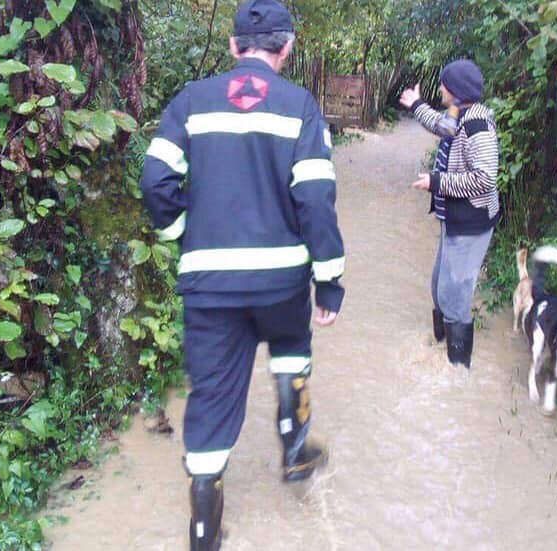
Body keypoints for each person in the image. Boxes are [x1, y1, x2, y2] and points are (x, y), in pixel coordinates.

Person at [139, 1, 345, 549]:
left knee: (210, 394)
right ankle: (297, 454)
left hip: (210, 287)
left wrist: (186, 233)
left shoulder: (190, 101)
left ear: (233, 47)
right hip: (281, 283)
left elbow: (155, 179)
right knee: (291, 353)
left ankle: (204, 531)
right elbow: (316, 200)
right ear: (288, 48)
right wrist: (329, 280)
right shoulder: (300, 107)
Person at [399, 60, 499, 369]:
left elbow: (485, 178)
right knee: (438, 288)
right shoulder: (459, 113)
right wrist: (416, 104)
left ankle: (457, 372)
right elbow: (441, 126)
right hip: (454, 220)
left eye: (443, 84)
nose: (440, 88)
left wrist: (437, 182)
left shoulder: (478, 126)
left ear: (455, 92)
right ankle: (438, 352)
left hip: (471, 222)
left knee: (453, 297)